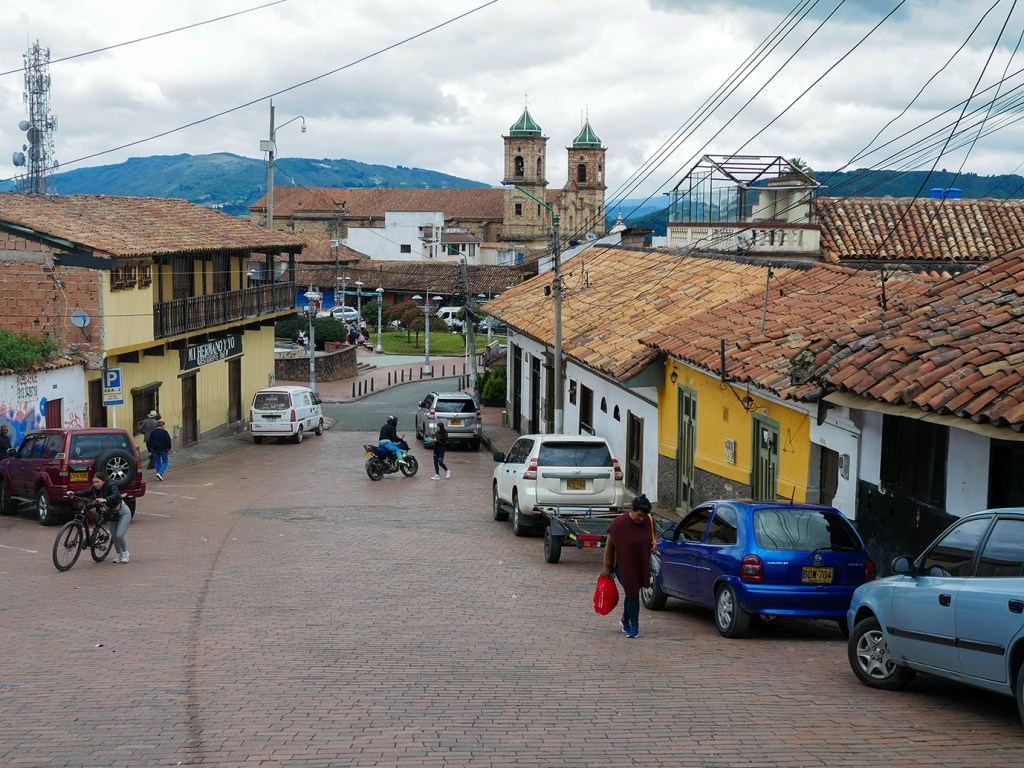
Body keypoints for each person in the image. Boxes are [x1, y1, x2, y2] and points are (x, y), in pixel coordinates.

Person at [601, 494, 656, 639]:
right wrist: (606, 567)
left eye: (645, 516)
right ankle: (634, 627)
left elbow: (653, 539)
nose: (642, 519)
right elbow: (609, 548)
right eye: (639, 515)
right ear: (632, 510)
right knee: (632, 592)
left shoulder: (650, 521)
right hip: (622, 566)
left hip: (641, 564)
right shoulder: (618, 524)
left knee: (632, 592)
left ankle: (625, 619)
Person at [67, 471, 130, 563]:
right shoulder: (95, 488)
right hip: (110, 513)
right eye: (94, 482)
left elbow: (116, 495)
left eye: (97, 482)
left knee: (119, 535)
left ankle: (125, 553)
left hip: (122, 513)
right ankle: (118, 554)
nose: (95, 484)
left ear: (103, 481)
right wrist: (74, 493)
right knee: (114, 535)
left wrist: (105, 499)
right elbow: (85, 492)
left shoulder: (111, 485)